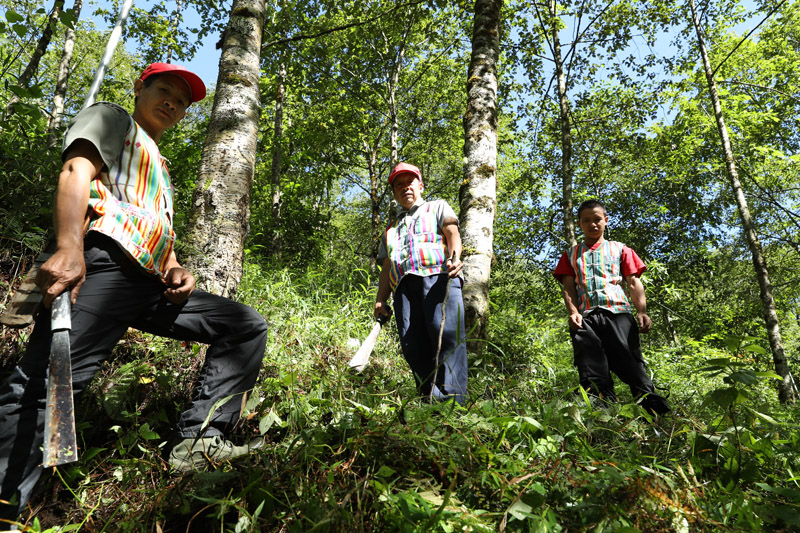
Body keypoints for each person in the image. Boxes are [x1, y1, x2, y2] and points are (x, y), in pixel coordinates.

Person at [0, 63, 268, 522]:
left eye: (181, 102)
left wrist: (176, 268)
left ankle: (200, 439)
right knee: (50, 381)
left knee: (243, 326)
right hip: (103, 263)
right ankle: (6, 504)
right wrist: (69, 247)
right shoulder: (112, 119)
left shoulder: (159, 166)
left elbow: (156, 232)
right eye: (164, 91)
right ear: (141, 88)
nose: (172, 104)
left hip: (147, 284)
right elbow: (75, 170)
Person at [553, 199, 669, 415]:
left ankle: (653, 414)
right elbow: (568, 287)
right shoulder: (571, 254)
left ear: (606, 221)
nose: (592, 224)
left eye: (597, 219)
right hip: (586, 318)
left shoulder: (620, 249)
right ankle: (601, 417)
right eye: (586, 221)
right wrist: (573, 312)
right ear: (579, 224)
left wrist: (641, 312)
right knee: (590, 367)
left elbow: (634, 283)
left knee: (631, 364)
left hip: (618, 314)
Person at [374, 162, 468, 404]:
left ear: (420, 185)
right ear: (394, 192)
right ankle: (428, 403)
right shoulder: (390, 229)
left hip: (438, 278)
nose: (405, 188)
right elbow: (387, 266)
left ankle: (452, 406)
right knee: (413, 346)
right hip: (404, 288)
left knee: (446, 336)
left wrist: (455, 257)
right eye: (399, 185)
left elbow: (452, 233)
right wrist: (380, 300)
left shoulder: (436, 207)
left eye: (409, 182)